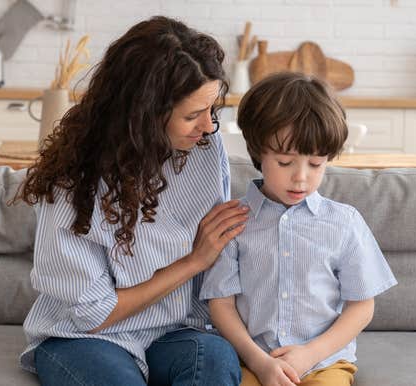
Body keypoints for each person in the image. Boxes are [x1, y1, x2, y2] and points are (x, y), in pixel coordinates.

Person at [16, 16, 248, 386]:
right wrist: (193, 262)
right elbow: (93, 314)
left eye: (211, 110)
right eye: (192, 115)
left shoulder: (204, 148)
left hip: (174, 332)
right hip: (85, 338)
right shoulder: (73, 182)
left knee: (215, 360)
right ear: (144, 114)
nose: (207, 126)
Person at [200, 72, 398, 386]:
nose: (301, 178)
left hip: (323, 364)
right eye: (284, 162)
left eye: (316, 164)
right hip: (252, 361)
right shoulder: (233, 221)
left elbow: (361, 307)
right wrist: (258, 361)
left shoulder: (344, 222)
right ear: (257, 152)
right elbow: (221, 305)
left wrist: (309, 354)